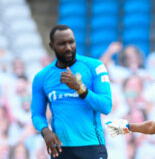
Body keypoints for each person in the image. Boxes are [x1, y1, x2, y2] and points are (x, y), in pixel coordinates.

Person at [31, 25, 112, 159]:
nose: (68, 47)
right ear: (52, 46)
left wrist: (80, 88)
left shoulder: (94, 66)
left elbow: (106, 106)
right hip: (61, 149)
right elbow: (37, 114)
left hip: (91, 147)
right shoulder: (42, 77)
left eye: (71, 42)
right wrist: (45, 131)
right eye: (62, 44)